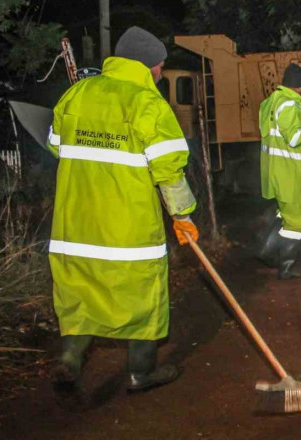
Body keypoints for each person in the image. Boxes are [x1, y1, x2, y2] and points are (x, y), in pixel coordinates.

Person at [47, 26, 199, 400]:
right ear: (148, 66)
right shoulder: (148, 105)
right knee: (143, 297)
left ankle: (69, 358)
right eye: (160, 66)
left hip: (76, 224)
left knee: (80, 294)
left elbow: (55, 145)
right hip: (128, 230)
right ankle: (141, 373)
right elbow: (168, 170)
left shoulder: (78, 92)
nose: (161, 73)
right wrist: (183, 216)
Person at [256, 64, 301, 279]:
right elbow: (295, 138)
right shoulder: (290, 105)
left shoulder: (270, 102)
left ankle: (267, 253)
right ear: (299, 87)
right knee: (296, 222)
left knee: (284, 215)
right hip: (290, 174)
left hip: (275, 171)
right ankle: (288, 267)